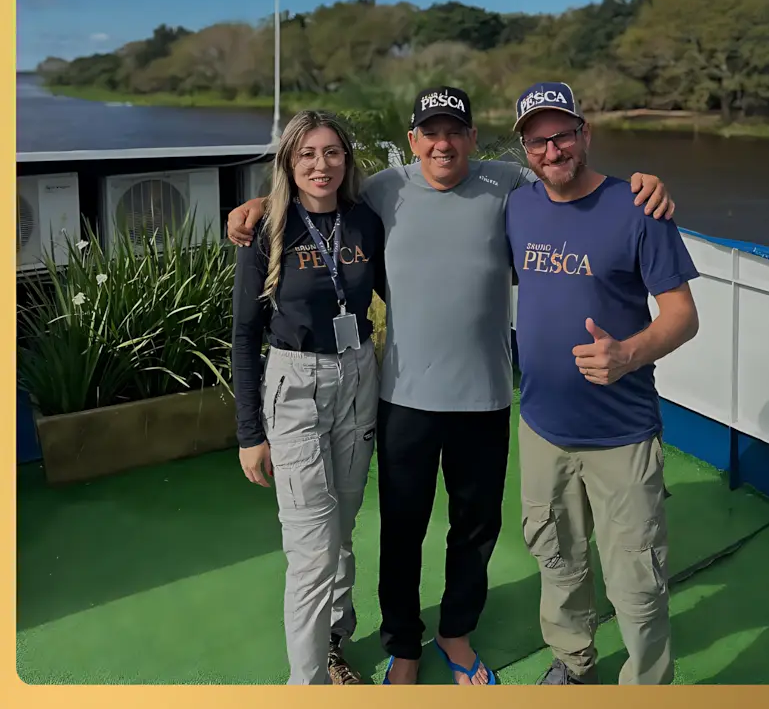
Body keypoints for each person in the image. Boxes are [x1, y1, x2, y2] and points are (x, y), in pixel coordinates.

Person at [227, 86, 676, 686]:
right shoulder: (384, 190)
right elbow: (317, 197)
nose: (442, 143)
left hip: (486, 398)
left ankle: (455, 632)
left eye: (454, 132)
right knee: (402, 530)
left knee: (475, 528)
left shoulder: (509, 185)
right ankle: (403, 644)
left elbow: (574, 183)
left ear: (472, 138)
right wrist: (258, 206)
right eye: (430, 133)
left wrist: (646, 183)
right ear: (413, 141)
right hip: (401, 397)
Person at [505, 82, 700, 686]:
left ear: (585, 134)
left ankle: (647, 686)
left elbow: (682, 315)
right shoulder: (517, 207)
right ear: (525, 150)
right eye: (538, 140)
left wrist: (629, 354)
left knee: (636, 583)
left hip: (621, 433)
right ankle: (573, 662)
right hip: (541, 427)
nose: (552, 149)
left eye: (563, 134)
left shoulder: (638, 207)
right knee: (557, 560)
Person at [232, 109, 385, 686]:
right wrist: (250, 433)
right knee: (312, 547)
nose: (321, 166)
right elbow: (245, 335)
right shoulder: (267, 229)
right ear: (289, 164)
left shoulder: (366, 222)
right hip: (294, 386)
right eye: (307, 155)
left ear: (347, 160)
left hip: (358, 378)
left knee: (341, 529)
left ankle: (334, 642)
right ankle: (309, 683)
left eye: (332, 153)